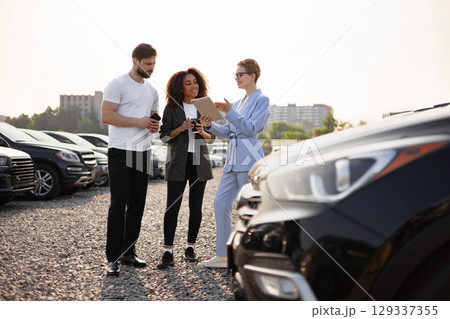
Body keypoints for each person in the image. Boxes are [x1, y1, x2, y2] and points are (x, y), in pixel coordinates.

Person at [201, 59, 270, 268]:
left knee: (251, 208)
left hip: (248, 160)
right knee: (220, 204)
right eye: (236, 75)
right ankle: (223, 255)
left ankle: (256, 255)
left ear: (253, 76)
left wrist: (230, 111)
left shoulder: (262, 100)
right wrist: (209, 125)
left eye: (240, 74)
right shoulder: (239, 103)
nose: (237, 78)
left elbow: (250, 129)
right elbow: (229, 132)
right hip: (232, 162)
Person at [101, 43, 160, 276]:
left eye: (154, 64)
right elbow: (106, 116)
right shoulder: (117, 84)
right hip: (120, 150)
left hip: (142, 150)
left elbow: (152, 120)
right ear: (135, 61)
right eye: (148, 64)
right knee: (118, 203)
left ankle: (129, 252)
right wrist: (138, 121)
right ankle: (112, 257)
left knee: (137, 204)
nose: (152, 68)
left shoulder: (152, 91)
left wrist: (154, 125)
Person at [158, 68, 215, 269]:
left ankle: (190, 247)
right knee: (172, 207)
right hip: (177, 162)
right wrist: (181, 128)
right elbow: (164, 137)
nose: (194, 86)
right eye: (188, 83)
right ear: (180, 88)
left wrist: (202, 131)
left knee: (195, 208)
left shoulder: (205, 107)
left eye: (195, 82)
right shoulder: (171, 108)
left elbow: (212, 137)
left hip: (200, 161)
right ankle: (168, 251)